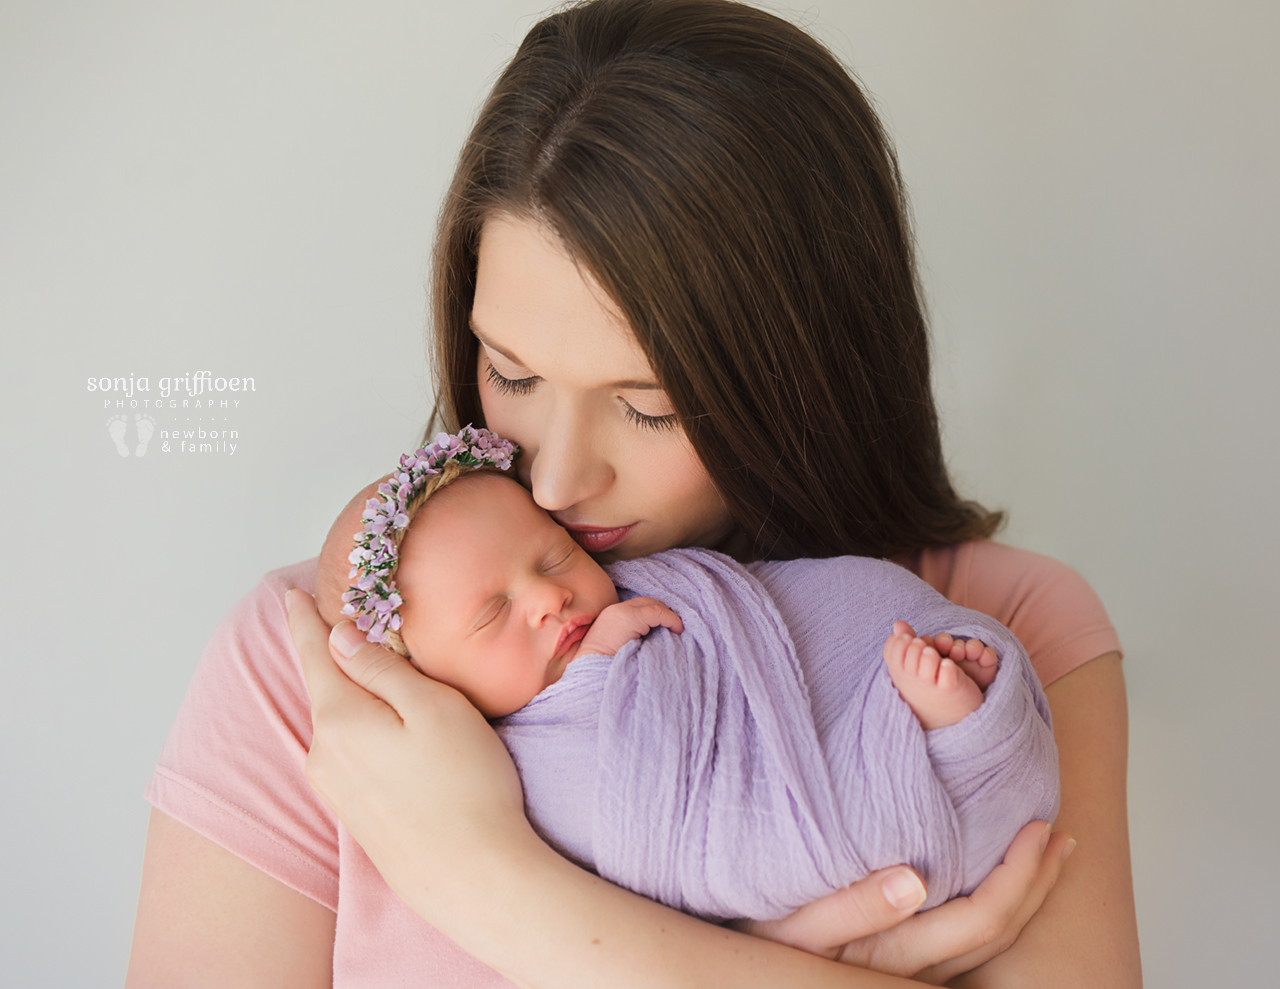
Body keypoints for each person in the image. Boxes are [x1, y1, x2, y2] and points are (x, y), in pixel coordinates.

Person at [126, 1, 1140, 986]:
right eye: (511, 374)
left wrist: (490, 885)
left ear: (808, 368)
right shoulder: (325, 668)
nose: (557, 478)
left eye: (647, 406)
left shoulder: (1001, 633)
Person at [315, 447, 1056, 924]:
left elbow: (738, 626)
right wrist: (600, 668)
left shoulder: (636, 585)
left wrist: (609, 650)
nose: (549, 600)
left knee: (877, 627)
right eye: (493, 614)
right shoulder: (516, 757)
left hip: (816, 706)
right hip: (772, 815)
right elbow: (628, 814)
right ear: (418, 680)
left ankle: (939, 721)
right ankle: (938, 735)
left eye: (551, 558)